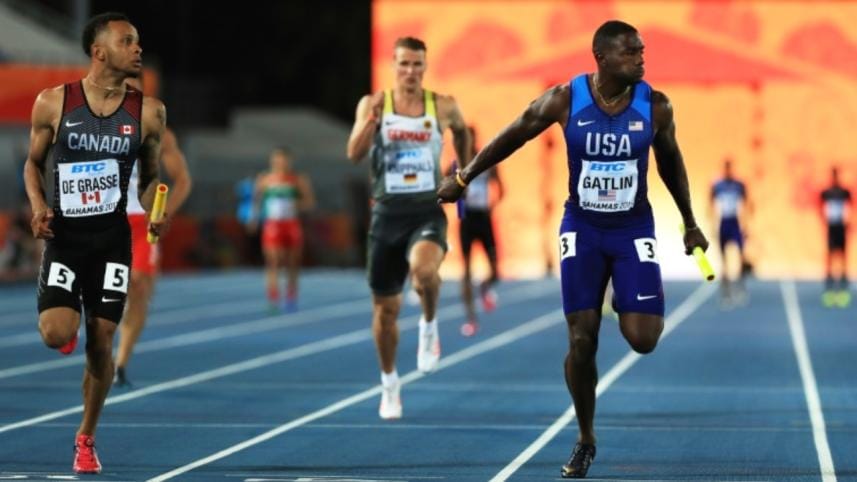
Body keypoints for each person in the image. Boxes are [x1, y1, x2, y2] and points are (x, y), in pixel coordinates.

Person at [438, 20, 708, 478]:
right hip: (582, 228)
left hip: (632, 230)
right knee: (582, 339)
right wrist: (464, 177)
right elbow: (516, 132)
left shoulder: (656, 106)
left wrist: (690, 223)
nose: (642, 59)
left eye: (643, 51)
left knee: (643, 339)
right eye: (631, 53)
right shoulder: (566, 98)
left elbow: (672, 163)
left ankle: (625, 289)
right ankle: (585, 438)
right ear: (601, 58)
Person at [22, 12, 165, 474]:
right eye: (129, 41)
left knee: (102, 340)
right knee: (56, 334)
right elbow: (32, 164)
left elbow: (152, 177)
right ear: (99, 51)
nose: (138, 49)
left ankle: (85, 437)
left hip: (111, 240)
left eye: (139, 41)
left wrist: (155, 210)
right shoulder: (53, 102)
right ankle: (67, 323)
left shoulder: (148, 112)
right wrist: (38, 206)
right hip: (65, 237)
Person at [346, 36, 471, 420]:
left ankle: (429, 325)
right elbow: (353, 154)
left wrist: (463, 175)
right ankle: (389, 383)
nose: (410, 72)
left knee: (424, 273)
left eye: (417, 64)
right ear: (394, 65)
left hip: (426, 210)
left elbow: (464, 133)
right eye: (404, 64)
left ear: (425, 67)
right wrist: (372, 122)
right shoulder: (374, 104)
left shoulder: (443, 104)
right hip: (386, 213)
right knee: (385, 311)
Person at [114, 76, 192, 388]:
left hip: (141, 222)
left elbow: (183, 180)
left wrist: (163, 213)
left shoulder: (160, 133)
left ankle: (120, 362)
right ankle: (104, 338)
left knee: (140, 289)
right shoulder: (92, 127)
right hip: (105, 221)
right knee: (109, 292)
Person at [253, 147, 315, 312]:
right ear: (272, 161)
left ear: (289, 161)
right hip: (272, 225)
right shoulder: (265, 179)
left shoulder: (298, 179)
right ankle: (273, 299)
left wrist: (297, 204)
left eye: (284, 160)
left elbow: (309, 202)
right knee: (273, 261)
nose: (280, 163)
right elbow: (256, 200)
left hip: (291, 225)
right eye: (277, 160)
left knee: (292, 263)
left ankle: (291, 296)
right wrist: (252, 218)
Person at [458, 125, 504, 337]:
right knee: (465, 271)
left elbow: (502, 188)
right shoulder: (457, 162)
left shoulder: (487, 160)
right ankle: (471, 319)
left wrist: (491, 206)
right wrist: (460, 205)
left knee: (496, 270)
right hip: (467, 219)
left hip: (484, 218)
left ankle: (485, 287)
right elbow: (446, 187)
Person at [709, 158, 750, 308]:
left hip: (736, 223)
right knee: (724, 260)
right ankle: (726, 292)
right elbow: (710, 205)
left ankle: (740, 288)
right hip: (723, 223)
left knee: (741, 256)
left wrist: (746, 225)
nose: (728, 170)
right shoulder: (717, 185)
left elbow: (747, 204)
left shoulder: (739, 185)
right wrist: (712, 226)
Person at [820, 166, 852, 307]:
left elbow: (848, 208)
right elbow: (822, 208)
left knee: (842, 256)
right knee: (831, 255)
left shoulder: (845, 193)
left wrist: (847, 222)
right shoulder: (826, 193)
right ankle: (829, 284)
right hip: (832, 227)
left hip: (841, 227)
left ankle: (843, 285)